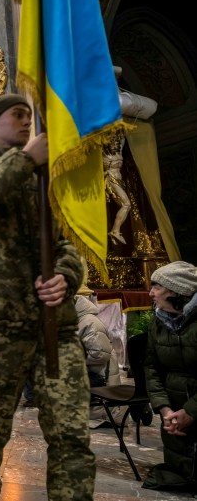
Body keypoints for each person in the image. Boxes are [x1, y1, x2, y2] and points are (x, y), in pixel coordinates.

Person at [0, 94, 94, 501]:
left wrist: (65, 276)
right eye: (18, 115)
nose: (27, 121)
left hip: (54, 325)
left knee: (71, 431)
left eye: (30, 115)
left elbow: (66, 243)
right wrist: (25, 159)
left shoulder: (45, 177)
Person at [143, 261, 197, 490]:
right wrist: (165, 408)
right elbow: (151, 367)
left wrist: (191, 411)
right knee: (181, 474)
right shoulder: (159, 322)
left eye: (156, 286)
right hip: (174, 404)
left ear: (175, 290)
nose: (151, 293)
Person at [103, 132, 131, 245]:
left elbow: (122, 137)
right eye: (112, 142)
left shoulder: (118, 151)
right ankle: (115, 231)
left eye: (116, 142)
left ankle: (115, 231)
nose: (114, 144)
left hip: (119, 180)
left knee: (126, 205)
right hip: (110, 178)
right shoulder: (104, 153)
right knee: (126, 204)